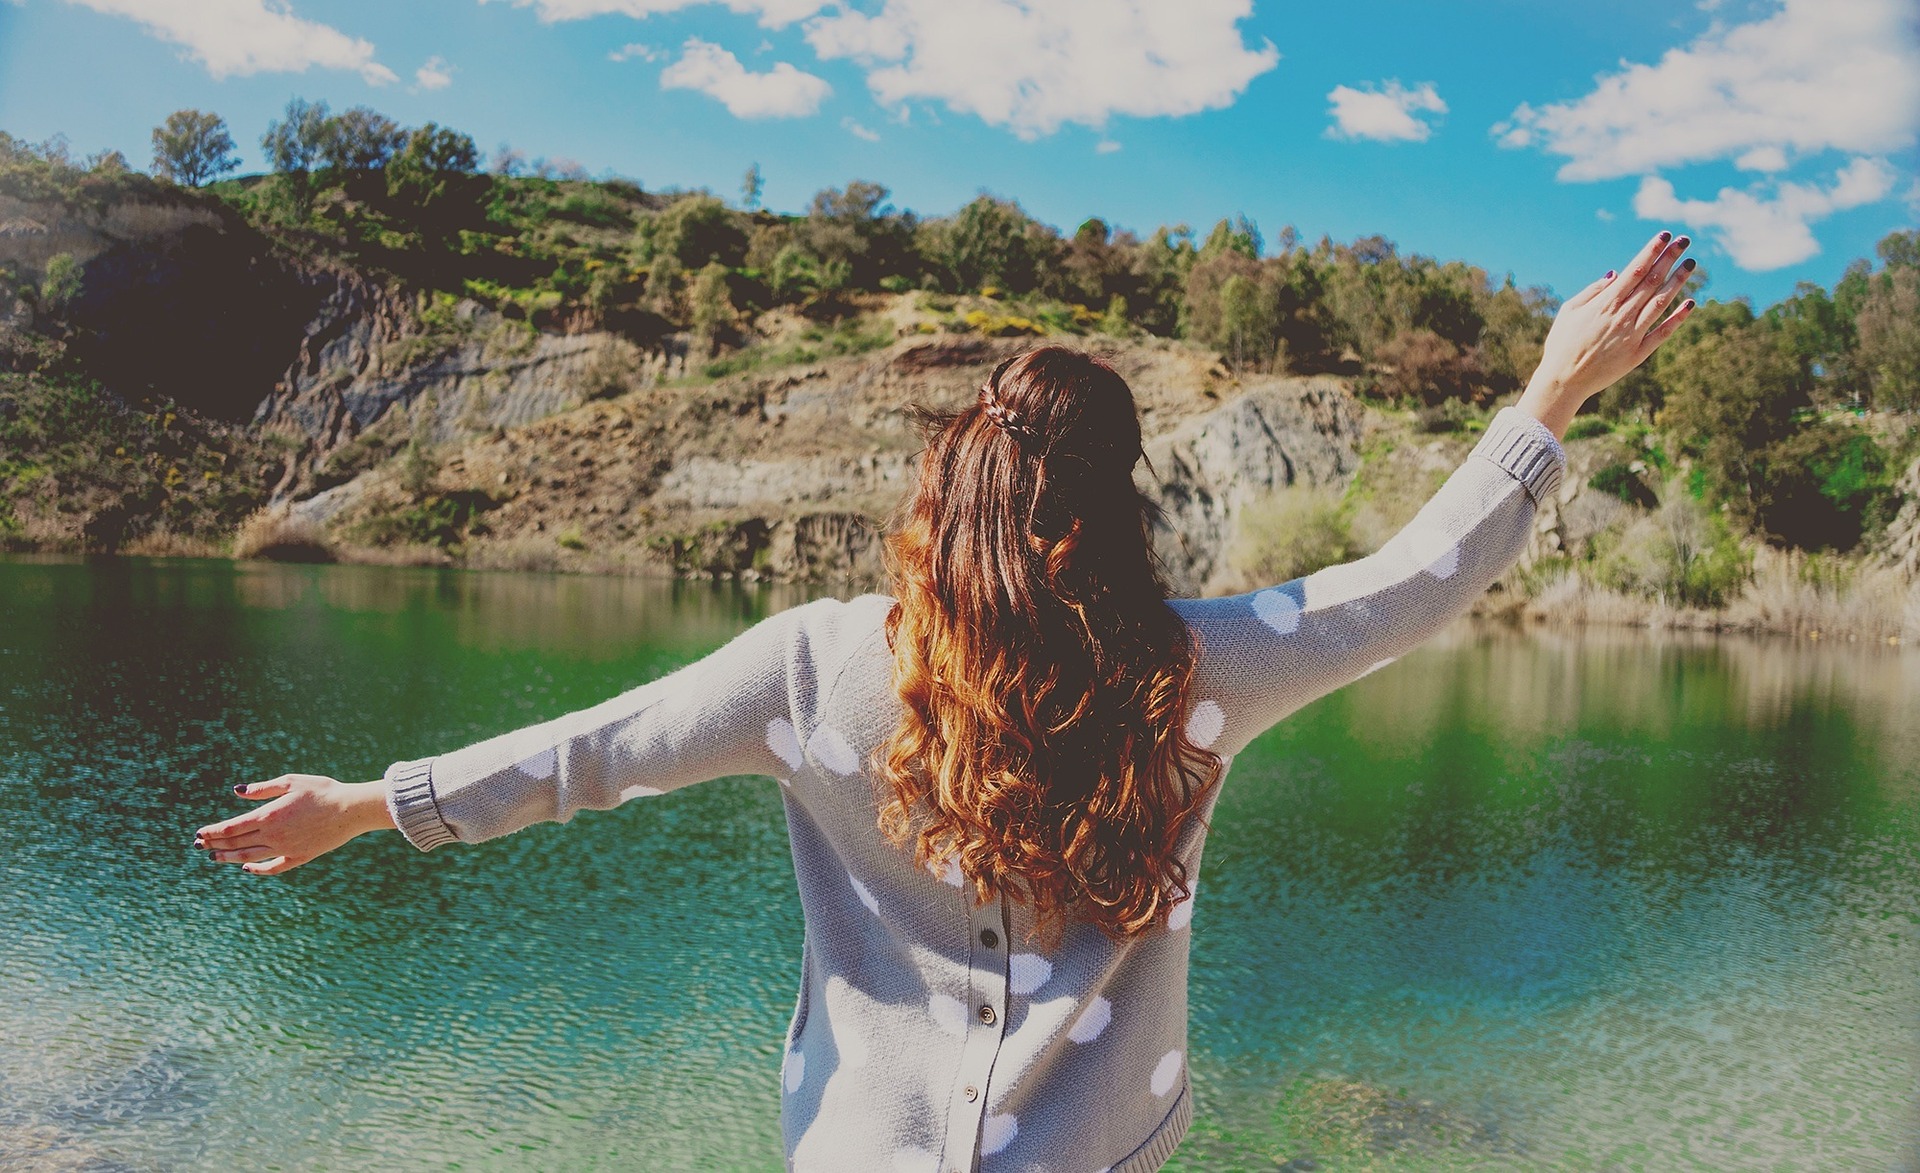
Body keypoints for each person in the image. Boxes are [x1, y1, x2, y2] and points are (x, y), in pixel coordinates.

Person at [195, 232, 1698, 1172]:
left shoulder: (813, 667)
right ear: (1112, 506)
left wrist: (370, 804)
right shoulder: (1188, 669)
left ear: (945, 487)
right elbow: (1405, 588)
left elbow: (593, 753)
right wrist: (1549, 394)